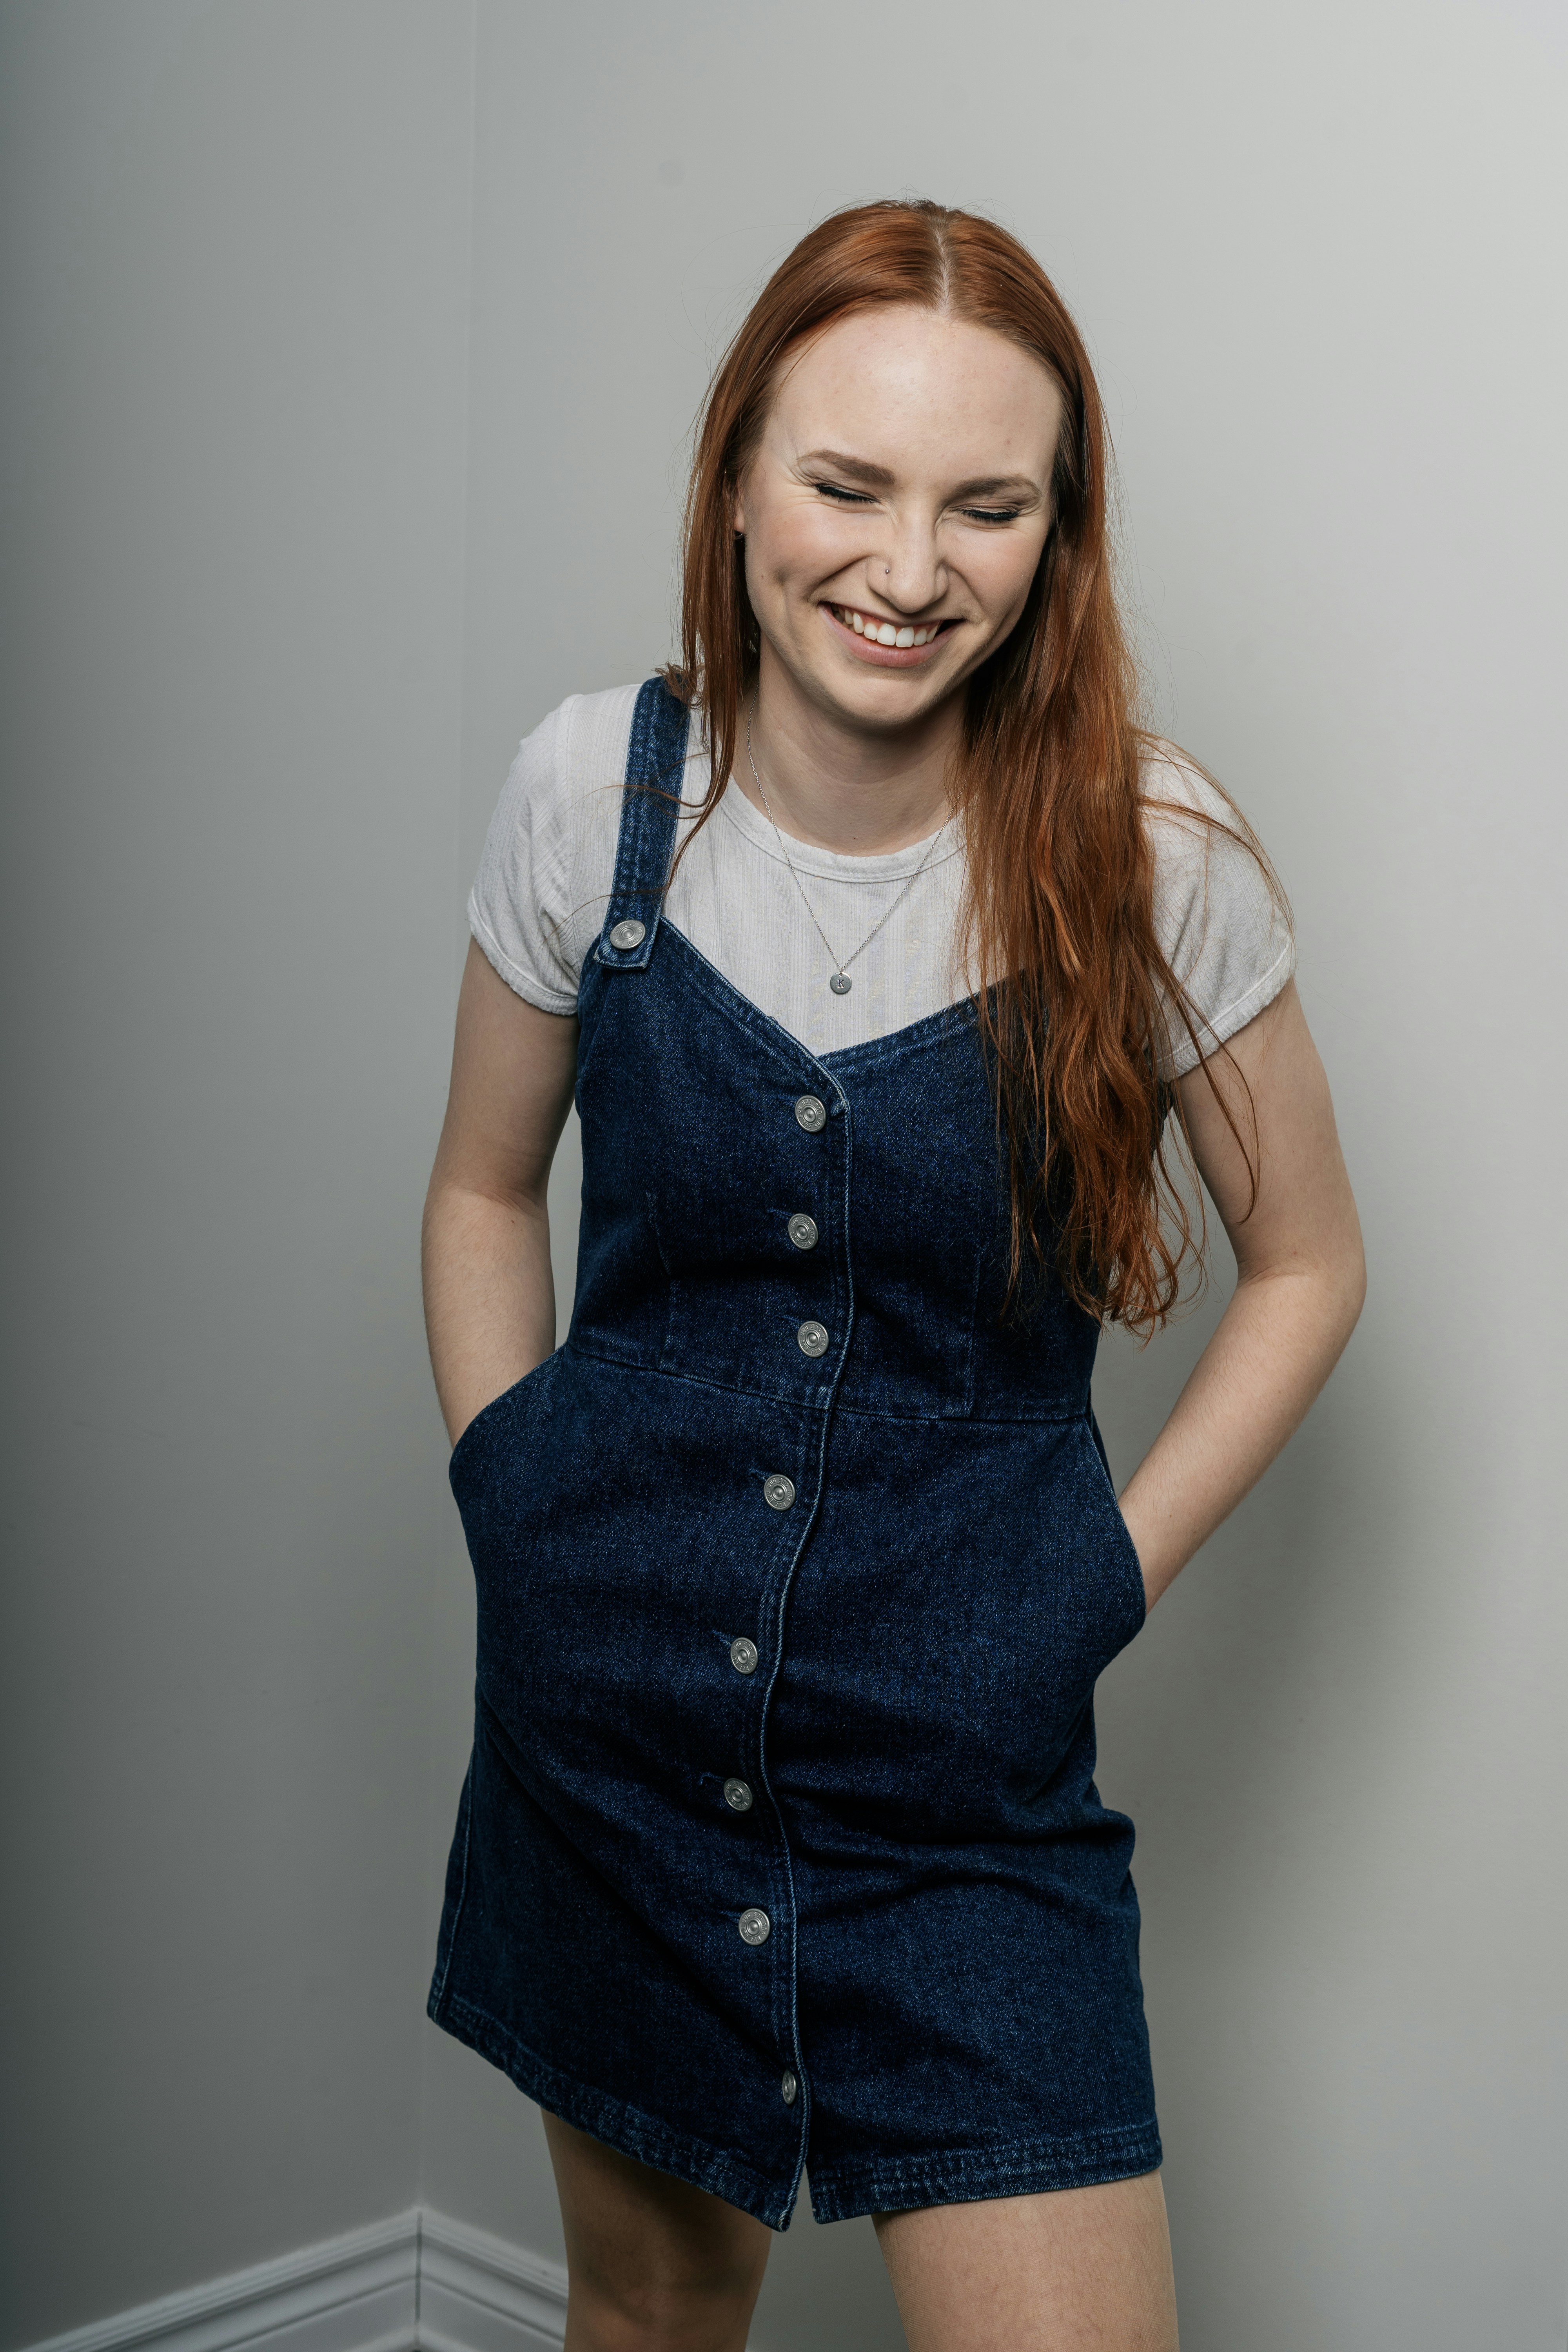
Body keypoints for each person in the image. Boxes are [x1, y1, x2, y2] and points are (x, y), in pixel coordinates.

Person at [420, 199, 1365, 2352]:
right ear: (740, 474)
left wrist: (1091, 1585)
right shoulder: (595, 793)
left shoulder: (1155, 850)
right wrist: (520, 1505)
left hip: (964, 1770)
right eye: (846, 483)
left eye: (989, 505)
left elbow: (1309, 1264)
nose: (910, 566)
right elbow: (481, 1194)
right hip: (615, 1720)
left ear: (1061, 531)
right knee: (652, 2312)